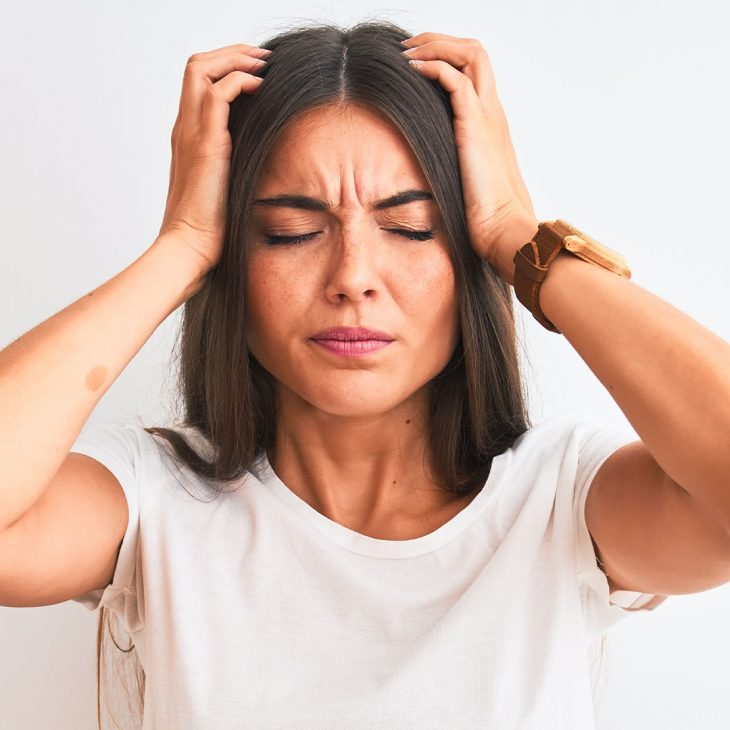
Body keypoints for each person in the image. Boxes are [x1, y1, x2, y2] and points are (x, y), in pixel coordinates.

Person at [1, 19, 729, 730]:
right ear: (235, 260)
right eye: (290, 232)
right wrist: (183, 247)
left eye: (411, 227)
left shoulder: (561, 498)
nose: (353, 277)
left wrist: (518, 236)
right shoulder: (155, 499)